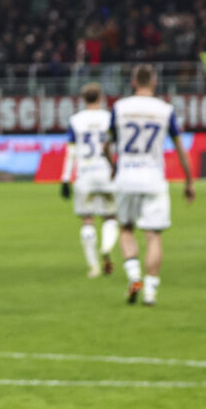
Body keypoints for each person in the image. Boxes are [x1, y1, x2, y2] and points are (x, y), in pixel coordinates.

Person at [105, 64, 194, 305]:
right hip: (154, 177)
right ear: (154, 83)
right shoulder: (165, 110)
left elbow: (107, 144)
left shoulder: (120, 108)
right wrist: (188, 181)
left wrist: (113, 166)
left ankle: (134, 276)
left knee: (125, 229)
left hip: (127, 175)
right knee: (153, 236)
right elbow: (180, 148)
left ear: (133, 83)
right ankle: (151, 291)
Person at [60, 82, 119, 278]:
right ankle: (106, 247)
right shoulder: (109, 117)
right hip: (107, 172)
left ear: (83, 99)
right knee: (111, 217)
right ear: (101, 98)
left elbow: (71, 151)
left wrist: (65, 179)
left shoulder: (76, 120)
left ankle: (93, 266)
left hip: (85, 174)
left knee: (87, 220)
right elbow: (115, 145)